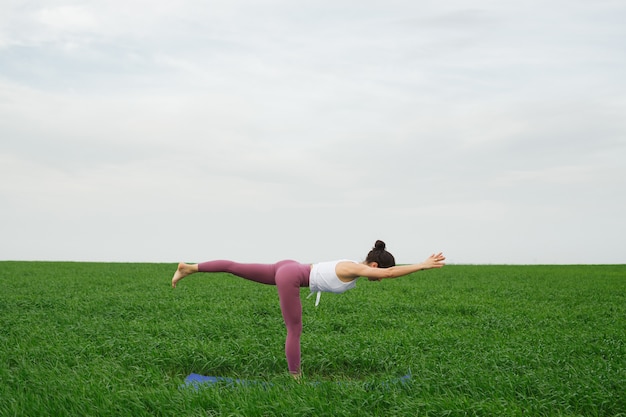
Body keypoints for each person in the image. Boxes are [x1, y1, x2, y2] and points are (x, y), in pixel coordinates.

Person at [171, 240, 445, 378]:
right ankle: (295, 378)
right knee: (294, 329)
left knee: (235, 267)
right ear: (374, 266)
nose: (379, 278)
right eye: (380, 272)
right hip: (291, 275)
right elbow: (389, 274)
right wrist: (421, 265)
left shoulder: (356, 267)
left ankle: (189, 267)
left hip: (289, 267)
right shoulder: (356, 268)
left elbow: (386, 273)